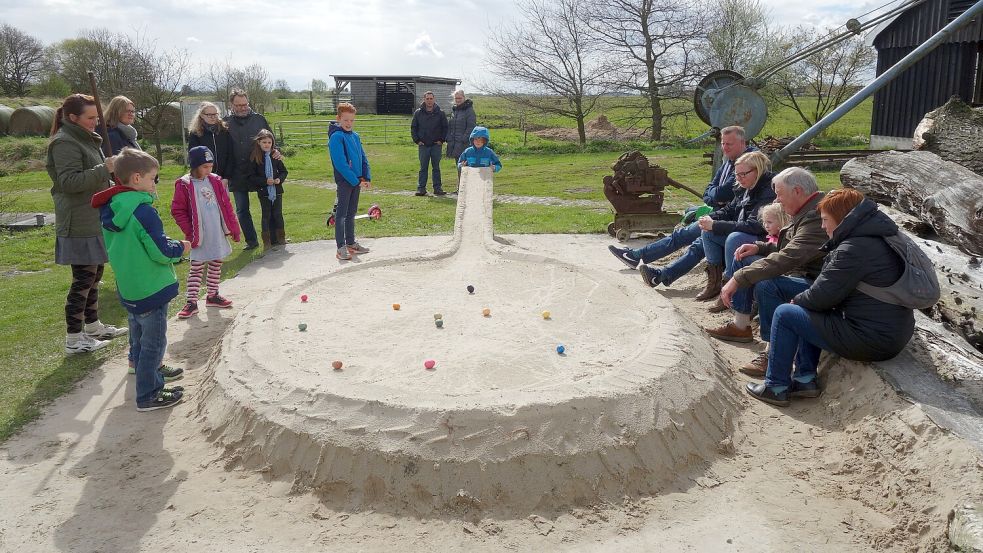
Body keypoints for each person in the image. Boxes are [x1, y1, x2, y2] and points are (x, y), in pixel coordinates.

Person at [746, 189, 916, 406]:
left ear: (842, 217)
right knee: (806, 309)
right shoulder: (873, 238)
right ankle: (805, 379)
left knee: (787, 313)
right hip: (889, 332)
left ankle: (775, 386)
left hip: (873, 339)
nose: (823, 226)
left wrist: (797, 301)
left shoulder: (853, 248)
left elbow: (822, 296)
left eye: (825, 220)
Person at [90, 148, 189, 411]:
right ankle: (149, 394)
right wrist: (180, 248)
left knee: (137, 332)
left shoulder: (112, 207)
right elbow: (159, 252)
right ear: (136, 178)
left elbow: (137, 242)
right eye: (153, 178)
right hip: (151, 287)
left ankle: (140, 368)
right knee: (153, 344)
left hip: (130, 286)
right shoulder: (142, 211)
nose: (154, 184)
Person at [607, 126, 755, 291]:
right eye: (723, 143)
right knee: (687, 239)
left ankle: (646, 264)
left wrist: (713, 196)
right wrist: (712, 196)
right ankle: (648, 266)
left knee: (690, 240)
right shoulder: (729, 160)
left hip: (730, 219)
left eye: (730, 144)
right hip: (720, 212)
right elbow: (711, 188)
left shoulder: (747, 163)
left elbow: (722, 193)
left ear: (742, 142)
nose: (725, 148)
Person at [713, 167, 828, 374]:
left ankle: (772, 351)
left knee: (767, 284)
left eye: (779, 194)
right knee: (744, 258)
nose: (776, 200)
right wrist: (760, 247)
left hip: (816, 284)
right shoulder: (806, 209)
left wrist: (738, 278)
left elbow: (790, 256)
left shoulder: (816, 216)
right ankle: (741, 326)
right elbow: (793, 247)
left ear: (798, 191)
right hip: (801, 273)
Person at [47, 93, 128, 354]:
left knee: (95, 276)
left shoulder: (86, 139)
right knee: (83, 279)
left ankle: (93, 326)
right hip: (78, 221)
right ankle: (73, 338)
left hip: (93, 218)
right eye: (90, 117)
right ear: (73, 118)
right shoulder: (64, 142)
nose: (95, 122)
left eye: (97, 117)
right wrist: (104, 169)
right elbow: (69, 182)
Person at [694, 151, 776, 302]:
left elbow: (755, 225)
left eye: (743, 174)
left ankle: (730, 284)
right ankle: (715, 283)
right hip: (747, 231)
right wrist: (711, 218)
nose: (738, 178)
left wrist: (716, 225)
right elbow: (730, 209)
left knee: (734, 237)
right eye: (736, 174)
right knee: (708, 233)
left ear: (757, 171)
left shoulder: (768, 191)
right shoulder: (743, 187)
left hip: (763, 237)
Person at [172, 146, 242, 319]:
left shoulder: (215, 181)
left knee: (216, 263)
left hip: (216, 232)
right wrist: (189, 231)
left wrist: (234, 228)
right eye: (205, 167)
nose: (209, 170)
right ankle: (191, 302)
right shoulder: (184, 184)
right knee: (196, 268)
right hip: (199, 236)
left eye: (210, 166)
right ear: (195, 166)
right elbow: (178, 210)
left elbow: (226, 205)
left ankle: (213, 295)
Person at [225, 88, 277, 250]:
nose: (242, 107)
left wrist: (275, 151)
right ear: (231, 104)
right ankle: (251, 240)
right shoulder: (226, 122)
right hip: (236, 172)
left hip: (259, 170)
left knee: (269, 205)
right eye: (238, 105)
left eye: (245, 104)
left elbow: (271, 139)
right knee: (242, 209)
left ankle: (272, 238)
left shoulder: (259, 119)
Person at [328, 102, 372, 261]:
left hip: (357, 181)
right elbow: (341, 164)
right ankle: (341, 247)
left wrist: (366, 177)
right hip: (346, 182)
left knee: (351, 213)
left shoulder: (355, 136)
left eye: (352, 120)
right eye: (345, 120)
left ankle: (351, 243)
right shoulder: (336, 137)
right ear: (338, 118)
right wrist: (355, 181)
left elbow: (363, 157)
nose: (349, 123)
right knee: (341, 215)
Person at [246, 129, 288, 249]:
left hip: (277, 191)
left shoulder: (275, 156)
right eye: (264, 142)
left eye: (269, 142)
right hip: (264, 192)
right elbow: (251, 177)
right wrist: (265, 181)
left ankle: (281, 237)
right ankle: (267, 241)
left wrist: (279, 179)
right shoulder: (255, 158)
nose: (267, 145)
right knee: (266, 215)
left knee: (278, 214)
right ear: (259, 142)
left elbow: (284, 171)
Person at [411, 91, 448, 196]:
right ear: (424, 99)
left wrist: (442, 140)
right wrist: (417, 140)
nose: (429, 101)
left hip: (436, 145)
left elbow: (445, 127)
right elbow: (414, 127)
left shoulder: (441, 113)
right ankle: (421, 188)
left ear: (434, 99)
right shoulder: (418, 113)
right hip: (423, 146)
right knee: (423, 168)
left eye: (431, 98)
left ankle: (437, 188)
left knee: (436, 167)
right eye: (427, 99)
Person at [188, 101, 234, 185]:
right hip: (203, 179)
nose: (213, 117)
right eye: (209, 115)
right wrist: (201, 176)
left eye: (215, 114)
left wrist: (226, 177)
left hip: (222, 179)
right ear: (202, 115)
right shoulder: (195, 133)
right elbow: (194, 157)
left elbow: (230, 155)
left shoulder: (224, 131)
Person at [445, 89, 476, 184]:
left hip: (464, 144)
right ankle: (461, 188)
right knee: (459, 166)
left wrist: (464, 139)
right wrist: (448, 138)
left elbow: (471, 127)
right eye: (456, 98)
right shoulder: (455, 110)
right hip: (455, 143)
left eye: (460, 98)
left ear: (464, 98)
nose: (458, 100)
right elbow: (450, 126)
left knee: (466, 167)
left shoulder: (469, 110)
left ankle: (466, 188)